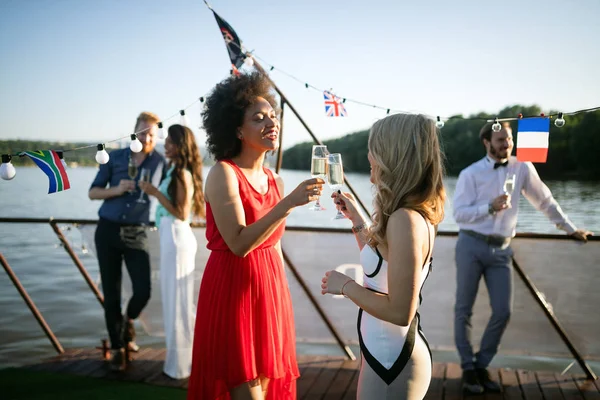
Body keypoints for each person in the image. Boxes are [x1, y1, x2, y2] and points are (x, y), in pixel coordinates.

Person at [186, 72, 324, 400]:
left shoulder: (274, 178)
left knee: (263, 384)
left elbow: (272, 243)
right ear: (237, 129)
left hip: (269, 289)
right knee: (246, 390)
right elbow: (238, 243)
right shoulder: (223, 173)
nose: (270, 122)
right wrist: (288, 203)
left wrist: (278, 293)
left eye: (273, 116)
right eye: (258, 118)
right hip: (232, 292)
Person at [452, 121, 593, 394]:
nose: (506, 144)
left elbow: (545, 201)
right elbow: (459, 215)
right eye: (500, 140)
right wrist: (488, 208)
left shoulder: (522, 167)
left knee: (503, 311)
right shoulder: (470, 174)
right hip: (470, 245)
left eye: (509, 139)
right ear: (486, 143)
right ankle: (468, 370)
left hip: (502, 250)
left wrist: (570, 229)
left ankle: (481, 365)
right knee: (463, 310)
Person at [321, 113, 446, 399]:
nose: (368, 156)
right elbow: (383, 266)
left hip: (393, 363)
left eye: (373, 148)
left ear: (392, 155)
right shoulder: (408, 213)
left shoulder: (405, 219)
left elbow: (400, 312)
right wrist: (357, 220)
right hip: (384, 356)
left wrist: (346, 286)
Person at [89, 111, 167, 371]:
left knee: (143, 290)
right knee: (111, 295)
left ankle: (128, 320)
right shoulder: (114, 157)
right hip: (108, 231)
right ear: (134, 131)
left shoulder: (160, 162)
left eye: (152, 134)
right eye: (143, 132)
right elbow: (93, 192)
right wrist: (117, 190)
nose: (147, 137)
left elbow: (172, 190)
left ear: (157, 137)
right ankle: (118, 347)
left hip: (138, 232)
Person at [139, 124, 205, 379]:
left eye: (169, 142)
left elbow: (183, 213)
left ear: (180, 146)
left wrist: (155, 192)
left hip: (177, 239)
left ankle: (182, 365)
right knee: (173, 301)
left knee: (178, 303)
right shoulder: (174, 170)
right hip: (170, 239)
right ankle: (179, 361)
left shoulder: (183, 174)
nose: (164, 145)